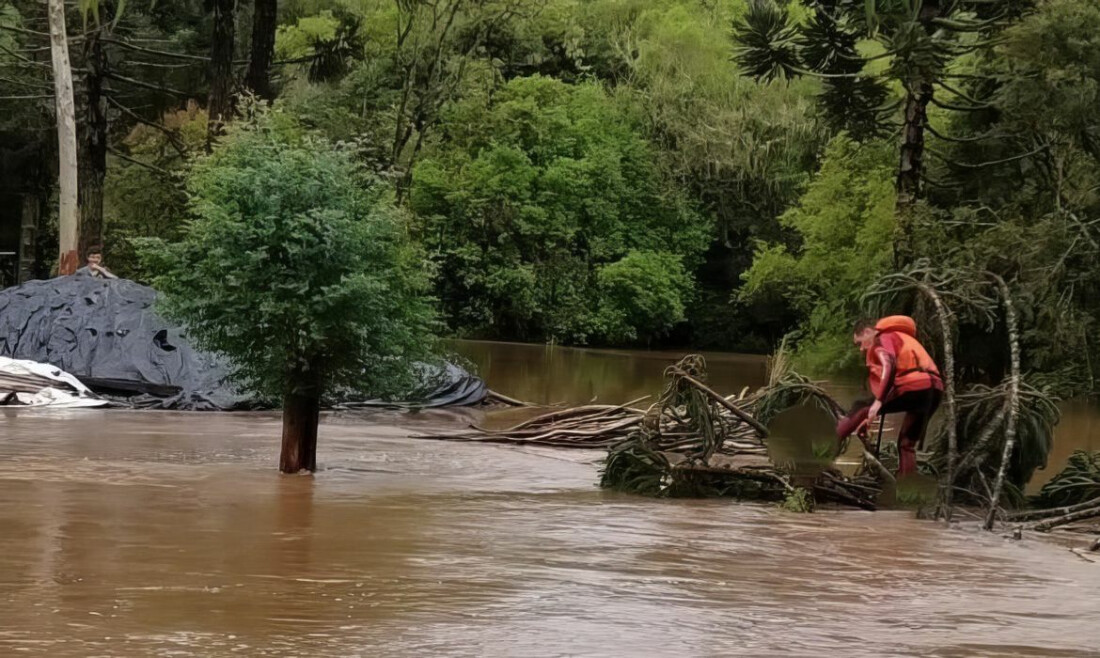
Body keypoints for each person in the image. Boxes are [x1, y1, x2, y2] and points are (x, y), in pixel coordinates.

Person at [836, 315, 943, 476]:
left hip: (914, 387)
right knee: (906, 444)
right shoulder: (902, 338)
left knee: (860, 406)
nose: (861, 349)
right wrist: (869, 415)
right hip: (934, 391)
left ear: (867, 332)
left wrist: (878, 402)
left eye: (859, 343)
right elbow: (896, 383)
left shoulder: (882, 337)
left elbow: (889, 364)